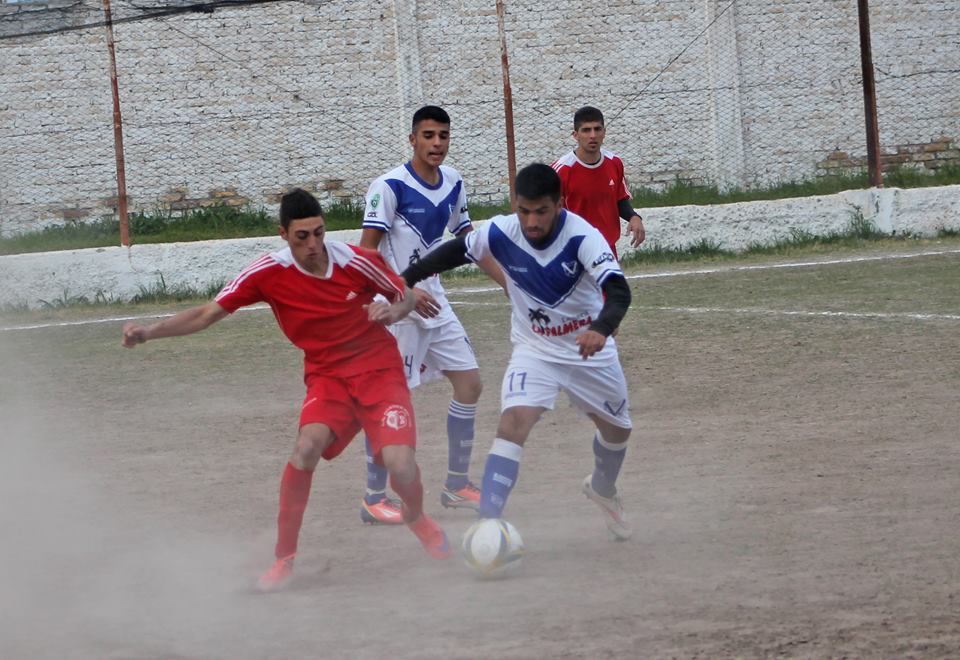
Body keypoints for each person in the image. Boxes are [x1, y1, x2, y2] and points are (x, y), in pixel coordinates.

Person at [121, 188, 451, 593]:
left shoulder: (358, 261)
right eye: (302, 237)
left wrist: (393, 309)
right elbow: (207, 314)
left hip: (378, 370)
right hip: (328, 376)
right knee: (305, 448)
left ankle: (416, 516)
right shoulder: (266, 273)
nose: (313, 245)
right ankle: (284, 560)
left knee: (400, 466)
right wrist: (148, 333)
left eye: (318, 233)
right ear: (283, 234)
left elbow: (402, 294)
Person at [402, 163, 635, 540]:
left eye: (541, 211)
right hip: (535, 350)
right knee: (512, 423)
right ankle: (489, 525)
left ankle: (604, 489)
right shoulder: (500, 231)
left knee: (618, 432)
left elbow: (619, 291)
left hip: (588, 351)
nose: (531, 221)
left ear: (559, 204)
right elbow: (454, 252)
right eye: (523, 210)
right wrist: (404, 279)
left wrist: (600, 328)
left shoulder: (583, 237)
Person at [357, 105, 505, 524]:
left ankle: (456, 485)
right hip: (396, 307)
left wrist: (509, 282)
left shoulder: (454, 181)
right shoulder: (388, 187)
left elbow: (468, 241)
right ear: (412, 140)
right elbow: (366, 253)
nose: (437, 143)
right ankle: (373, 496)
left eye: (443, 135)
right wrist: (401, 288)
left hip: (434, 300)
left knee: (470, 383)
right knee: (390, 401)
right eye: (428, 136)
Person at [551, 105, 646, 258]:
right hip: (572, 252)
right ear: (575, 135)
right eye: (586, 130)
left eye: (597, 129)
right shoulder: (561, 170)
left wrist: (634, 217)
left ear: (604, 132)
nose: (593, 135)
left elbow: (620, 199)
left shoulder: (614, 163)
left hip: (607, 250)